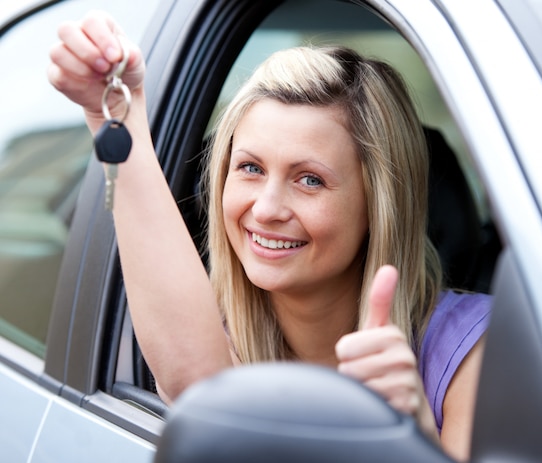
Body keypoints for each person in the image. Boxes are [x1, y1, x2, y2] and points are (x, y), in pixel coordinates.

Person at [48, 11, 490, 462]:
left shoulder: (477, 350)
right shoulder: (211, 337)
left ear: (378, 206)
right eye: (251, 169)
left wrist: (414, 435)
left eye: (309, 180)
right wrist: (119, 116)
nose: (265, 209)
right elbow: (196, 384)